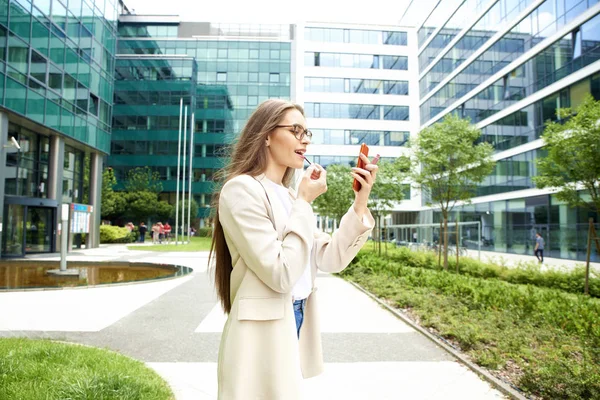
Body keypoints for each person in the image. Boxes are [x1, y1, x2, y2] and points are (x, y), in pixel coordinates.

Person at [208, 99, 377, 400]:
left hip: (294, 316)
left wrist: (360, 202)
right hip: (260, 330)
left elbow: (331, 257)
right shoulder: (241, 190)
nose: (305, 139)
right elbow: (281, 273)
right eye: (296, 130)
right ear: (267, 136)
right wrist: (304, 202)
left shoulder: (288, 195)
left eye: (307, 132)